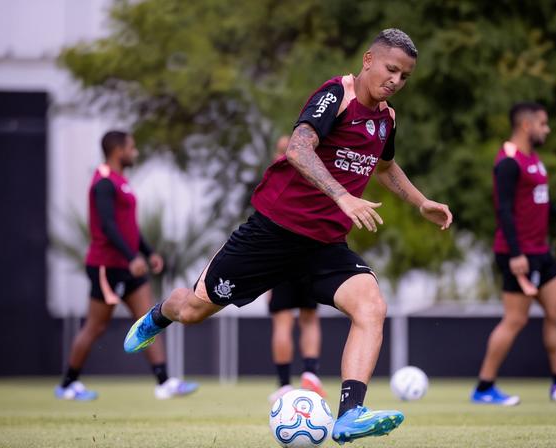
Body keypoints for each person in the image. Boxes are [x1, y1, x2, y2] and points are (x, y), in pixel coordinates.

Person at [123, 29, 452, 444]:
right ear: (368, 60)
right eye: (391, 69)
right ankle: (160, 314)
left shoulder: (387, 119)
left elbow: (384, 167)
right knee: (192, 310)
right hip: (273, 233)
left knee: (371, 306)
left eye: (405, 76)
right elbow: (298, 150)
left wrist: (421, 202)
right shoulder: (337, 95)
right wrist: (342, 196)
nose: (396, 81)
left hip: (324, 245)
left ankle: (350, 414)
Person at [470, 103, 556, 406]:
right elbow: (504, 210)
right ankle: (484, 387)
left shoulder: (533, 160)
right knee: (515, 319)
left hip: (541, 251)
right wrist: (516, 254)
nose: (547, 129)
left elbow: (533, 203)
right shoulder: (509, 161)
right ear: (526, 125)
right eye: (543, 124)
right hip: (518, 254)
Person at [55, 130, 198, 401]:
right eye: (132, 148)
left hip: (129, 265)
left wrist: (148, 252)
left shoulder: (121, 181)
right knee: (95, 327)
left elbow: (128, 227)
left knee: (148, 320)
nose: (135, 152)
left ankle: (164, 382)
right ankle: (68, 384)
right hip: (107, 267)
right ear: (118, 150)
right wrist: (131, 257)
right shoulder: (104, 182)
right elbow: (108, 226)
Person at [266, 136, 326, 403]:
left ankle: (284, 384)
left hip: (280, 255)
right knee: (309, 318)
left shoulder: (274, 178)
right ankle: (310, 374)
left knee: (283, 321)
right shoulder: (315, 175)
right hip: (309, 252)